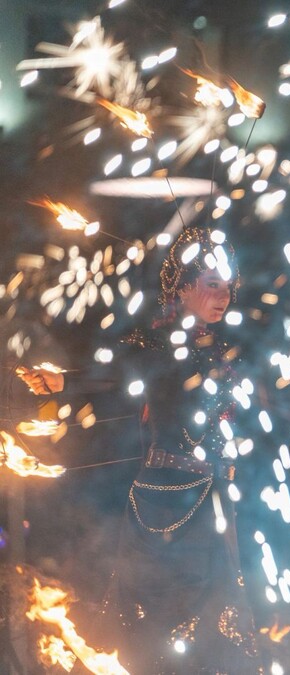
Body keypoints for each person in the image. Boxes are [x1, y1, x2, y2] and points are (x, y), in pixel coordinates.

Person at [18, 227, 262, 674]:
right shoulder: (157, 347)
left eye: (228, 286)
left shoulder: (229, 354)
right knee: (152, 619)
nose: (223, 295)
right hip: (161, 499)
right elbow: (113, 373)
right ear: (184, 287)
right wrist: (63, 381)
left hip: (210, 503)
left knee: (213, 617)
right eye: (212, 283)